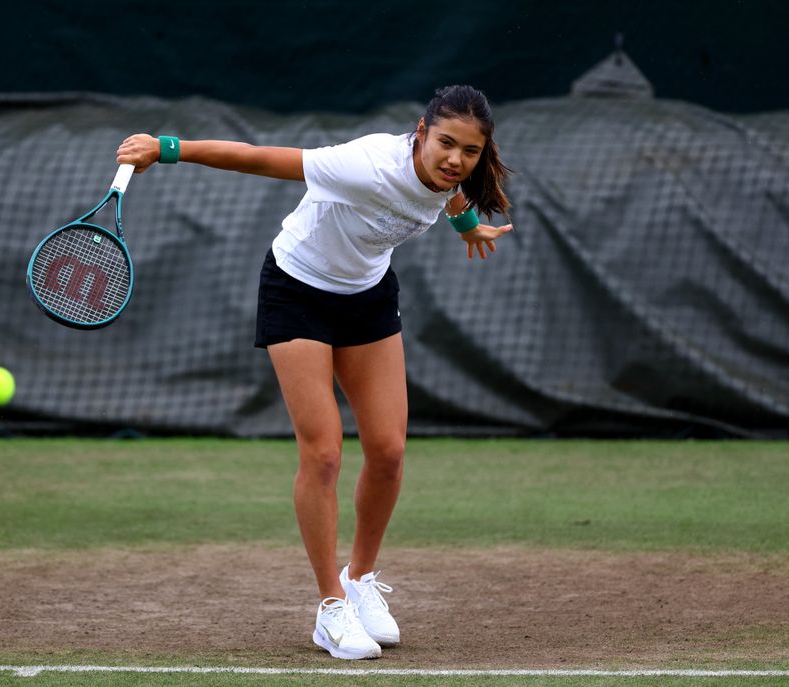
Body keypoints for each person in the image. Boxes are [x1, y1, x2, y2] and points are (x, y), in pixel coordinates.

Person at [117, 85, 513, 660]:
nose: (455, 159)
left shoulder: (453, 175)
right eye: (446, 143)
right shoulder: (364, 166)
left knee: (388, 451)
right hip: (297, 290)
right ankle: (331, 608)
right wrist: (167, 147)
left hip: (368, 297)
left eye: (470, 151)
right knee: (324, 453)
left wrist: (468, 225)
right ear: (420, 133)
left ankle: (360, 579)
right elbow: (260, 158)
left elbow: (447, 193)